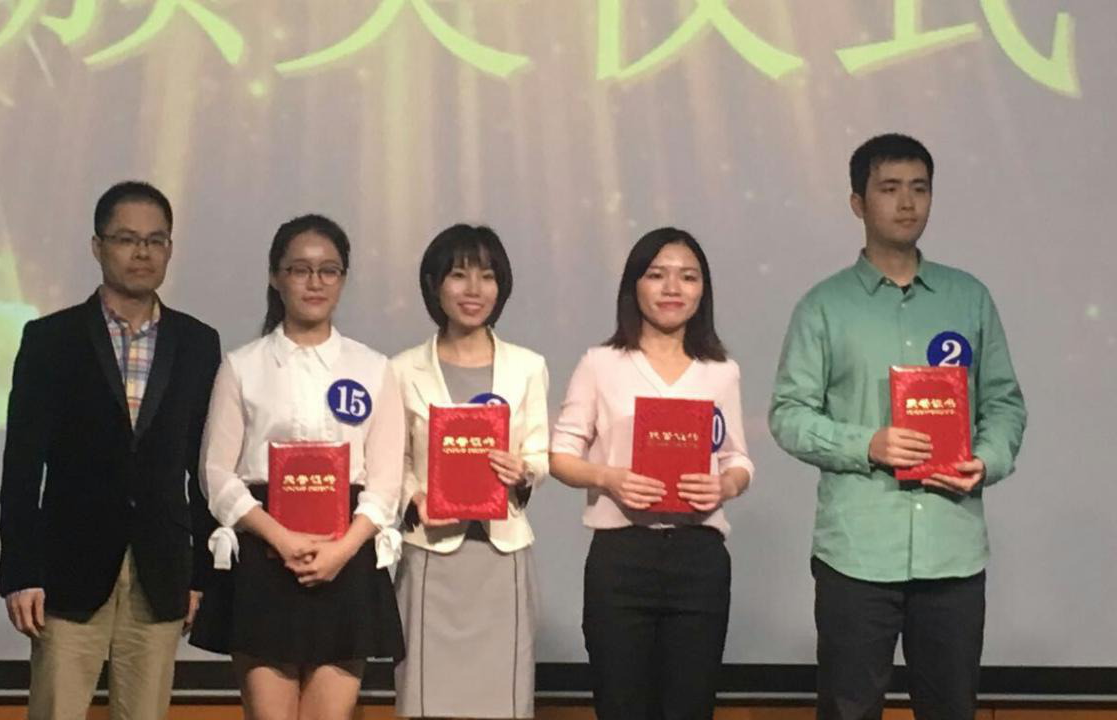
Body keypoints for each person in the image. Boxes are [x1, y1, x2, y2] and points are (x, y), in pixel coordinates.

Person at [769, 133, 1027, 720]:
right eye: (889, 189)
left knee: (951, 708)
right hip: (857, 552)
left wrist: (986, 459)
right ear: (858, 203)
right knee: (849, 709)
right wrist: (868, 444)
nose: (907, 203)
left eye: (920, 188)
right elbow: (788, 414)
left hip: (952, 549)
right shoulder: (824, 306)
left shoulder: (968, 298)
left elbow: (1005, 403)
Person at [0, 180, 221, 720]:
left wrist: (202, 575)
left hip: (161, 572)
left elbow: (204, 467)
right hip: (67, 569)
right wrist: (20, 571)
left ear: (169, 249)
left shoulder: (198, 343)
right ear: (97, 246)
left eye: (155, 240)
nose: (142, 252)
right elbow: (22, 467)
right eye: (126, 239)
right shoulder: (50, 339)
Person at [193, 213, 405, 720]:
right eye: (300, 269)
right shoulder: (242, 365)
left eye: (329, 270)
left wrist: (342, 550)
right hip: (265, 555)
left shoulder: (374, 367)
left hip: (346, 554)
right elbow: (216, 474)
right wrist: (281, 539)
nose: (315, 282)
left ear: (343, 279)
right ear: (275, 276)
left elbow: (385, 482)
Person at [549, 227, 754, 720]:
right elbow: (560, 455)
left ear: (702, 291)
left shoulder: (720, 370)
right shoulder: (601, 364)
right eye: (657, 275)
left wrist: (725, 485)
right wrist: (609, 478)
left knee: (691, 706)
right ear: (634, 285)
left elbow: (738, 460)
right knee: (621, 704)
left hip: (699, 558)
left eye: (688, 277)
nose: (673, 288)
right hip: (622, 557)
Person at [392, 224, 549, 719]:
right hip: (431, 554)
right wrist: (413, 498)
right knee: (425, 697)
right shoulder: (401, 369)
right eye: (459, 275)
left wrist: (524, 469)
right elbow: (395, 460)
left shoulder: (528, 366)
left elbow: (540, 451)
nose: (474, 289)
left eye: (487, 276)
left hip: (502, 554)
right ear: (434, 284)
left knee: (502, 700)